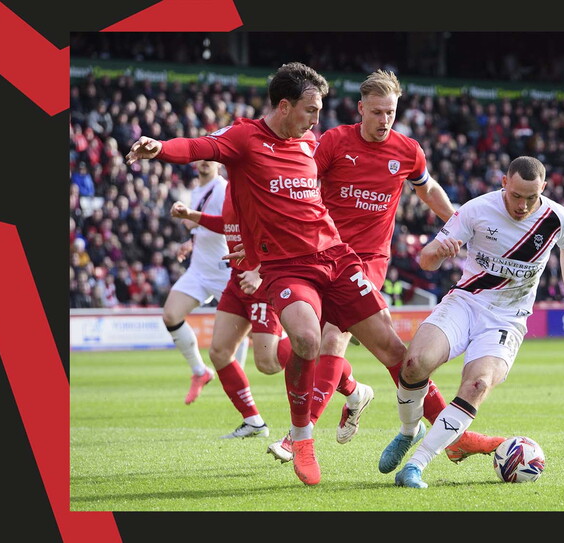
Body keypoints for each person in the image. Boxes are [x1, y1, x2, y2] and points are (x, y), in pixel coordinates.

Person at [125, 62, 410, 487]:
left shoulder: (309, 143)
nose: (318, 120)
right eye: (311, 109)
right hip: (275, 268)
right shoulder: (244, 139)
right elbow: (200, 146)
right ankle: (302, 433)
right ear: (284, 105)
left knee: (385, 350)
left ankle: (442, 431)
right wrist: (160, 149)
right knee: (294, 342)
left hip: (330, 258)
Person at [266, 69, 504, 469]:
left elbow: (426, 187)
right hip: (319, 255)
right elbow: (300, 182)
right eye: (376, 112)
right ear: (361, 109)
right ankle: (363, 396)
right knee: (357, 351)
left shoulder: (407, 150)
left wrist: (457, 224)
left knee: (331, 340)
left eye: (390, 113)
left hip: (367, 262)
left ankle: (298, 436)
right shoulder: (334, 142)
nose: (384, 120)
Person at [390, 156, 564, 488]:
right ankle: (409, 431)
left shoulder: (556, 218)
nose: (523, 205)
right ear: (504, 183)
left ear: (544, 188)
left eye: (531, 197)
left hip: (507, 319)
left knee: (477, 385)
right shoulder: (476, 210)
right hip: (465, 303)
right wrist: (439, 254)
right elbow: (425, 259)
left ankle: (416, 465)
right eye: (516, 196)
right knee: (414, 363)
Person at [170, 193, 291, 440]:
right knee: (219, 352)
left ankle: (318, 336)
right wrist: (191, 215)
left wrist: (259, 271)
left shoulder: (257, 182)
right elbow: (227, 224)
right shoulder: (230, 189)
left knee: (267, 364)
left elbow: (283, 233)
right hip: (236, 283)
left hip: (261, 285)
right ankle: (253, 421)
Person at [161, 159, 249, 405]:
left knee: (237, 330)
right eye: (200, 158)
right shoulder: (195, 190)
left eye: (209, 158)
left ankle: (238, 380)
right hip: (199, 269)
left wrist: (192, 219)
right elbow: (201, 228)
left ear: (218, 163)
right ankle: (200, 371)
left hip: (224, 269)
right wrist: (191, 241)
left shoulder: (223, 188)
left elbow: (230, 225)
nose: (203, 162)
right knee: (170, 315)